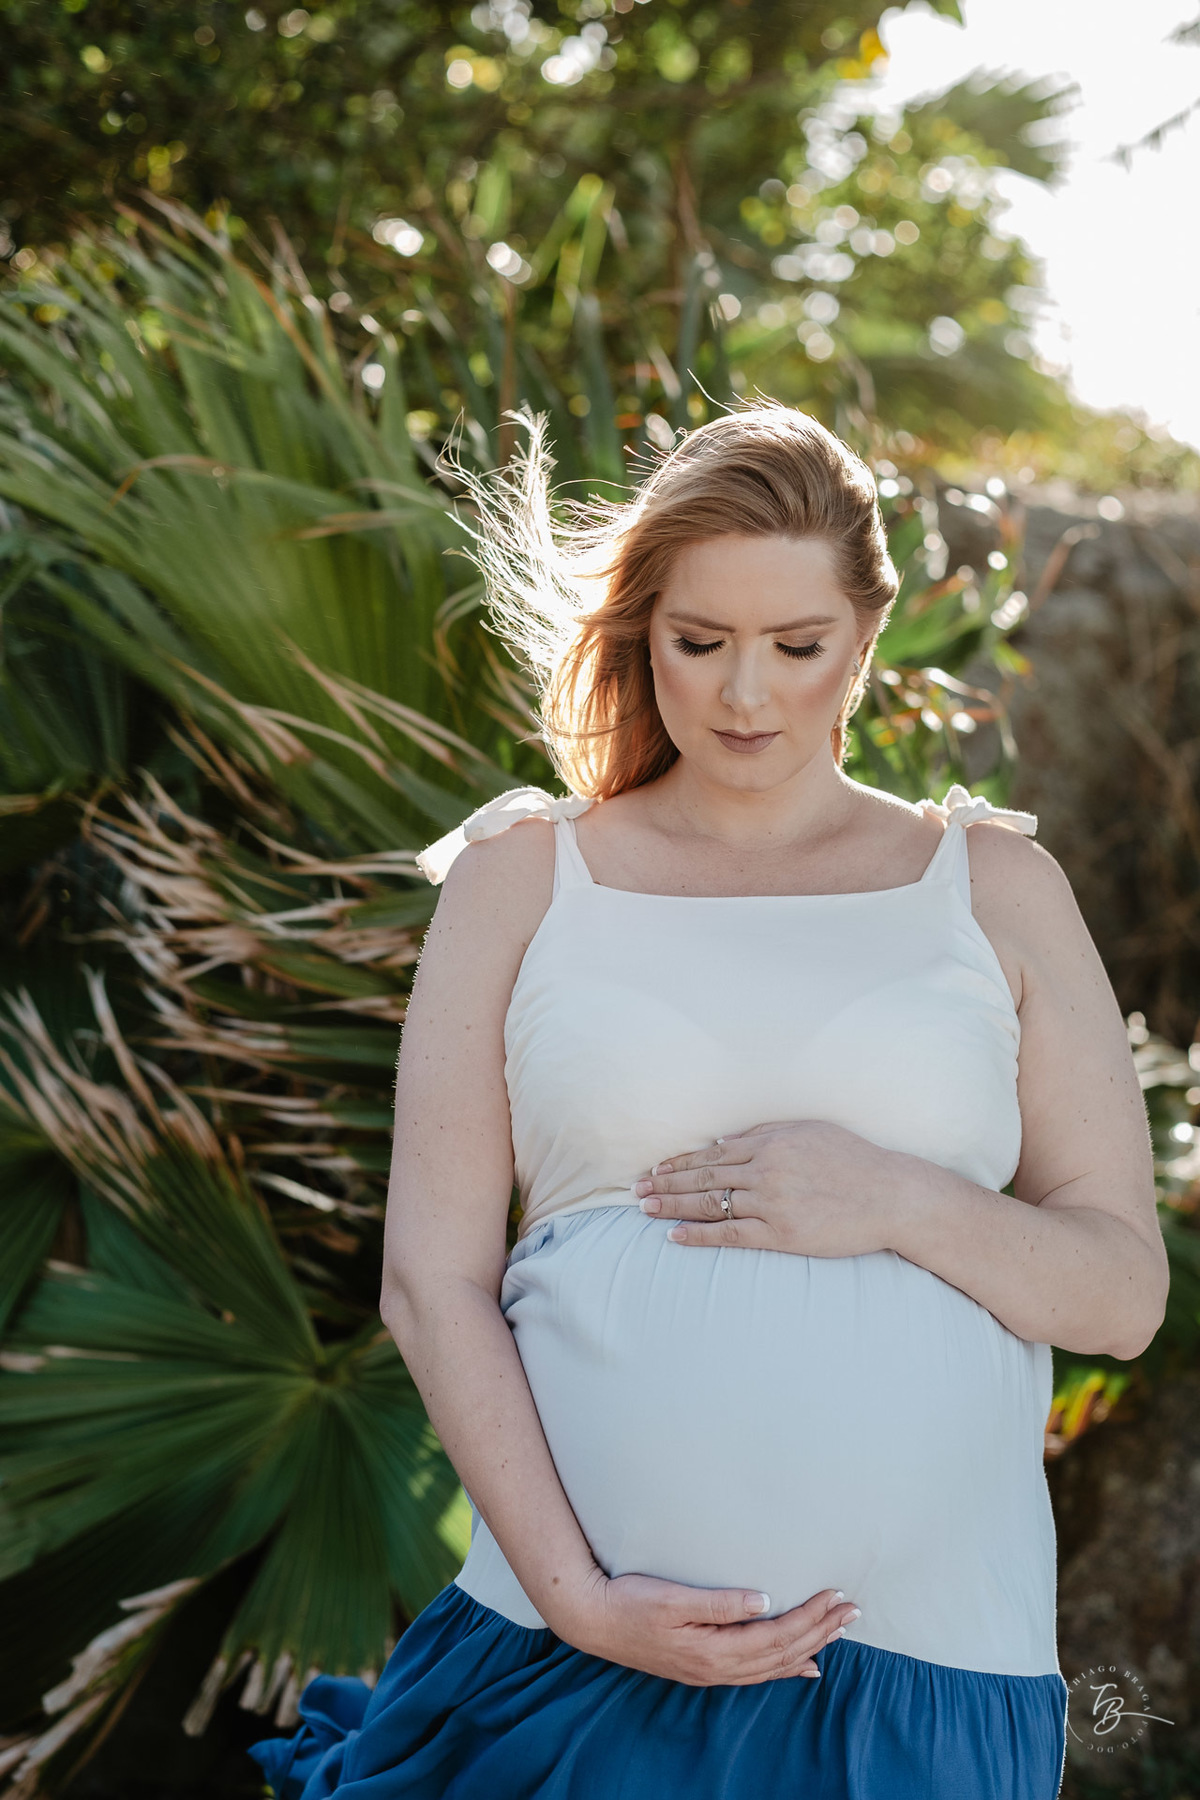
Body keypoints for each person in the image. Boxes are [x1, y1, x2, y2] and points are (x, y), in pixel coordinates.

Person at [250, 403, 1167, 1800]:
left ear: (865, 636)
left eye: (797, 648)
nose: (747, 696)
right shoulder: (523, 879)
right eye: (700, 643)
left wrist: (900, 1200)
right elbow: (433, 1283)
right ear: (641, 632)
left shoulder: (994, 891)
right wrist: (580, 1601)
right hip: (568, 1655)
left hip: (921, 1693)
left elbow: (1121, 1295)